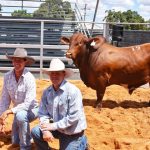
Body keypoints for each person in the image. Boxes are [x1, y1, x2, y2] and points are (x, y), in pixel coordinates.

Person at [31, 58, 88, 150]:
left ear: (63, 74)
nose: (54, 76)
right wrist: (46, 131)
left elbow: (73, 117)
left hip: (72, 133)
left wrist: (52, 126)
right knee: (35, 132)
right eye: (52, 73)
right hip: (57, 128)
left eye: (57, 73)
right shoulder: (47, 92)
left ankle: (82, 142)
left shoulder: (73, 91)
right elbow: (43, 113)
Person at [0, 48, 39, 150]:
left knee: (21, 116)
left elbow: (27, 103)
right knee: (15, 141)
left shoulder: (30, 78)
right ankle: (26, 138)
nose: (17, 62)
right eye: (15, 60)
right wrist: (1, 117)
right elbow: (4, 99)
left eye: (20, 60)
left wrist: (9, 111)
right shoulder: (7, 76)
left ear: (25, 62)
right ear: (12, 61)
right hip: (17, 111)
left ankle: (25, 146)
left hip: (32, 110)